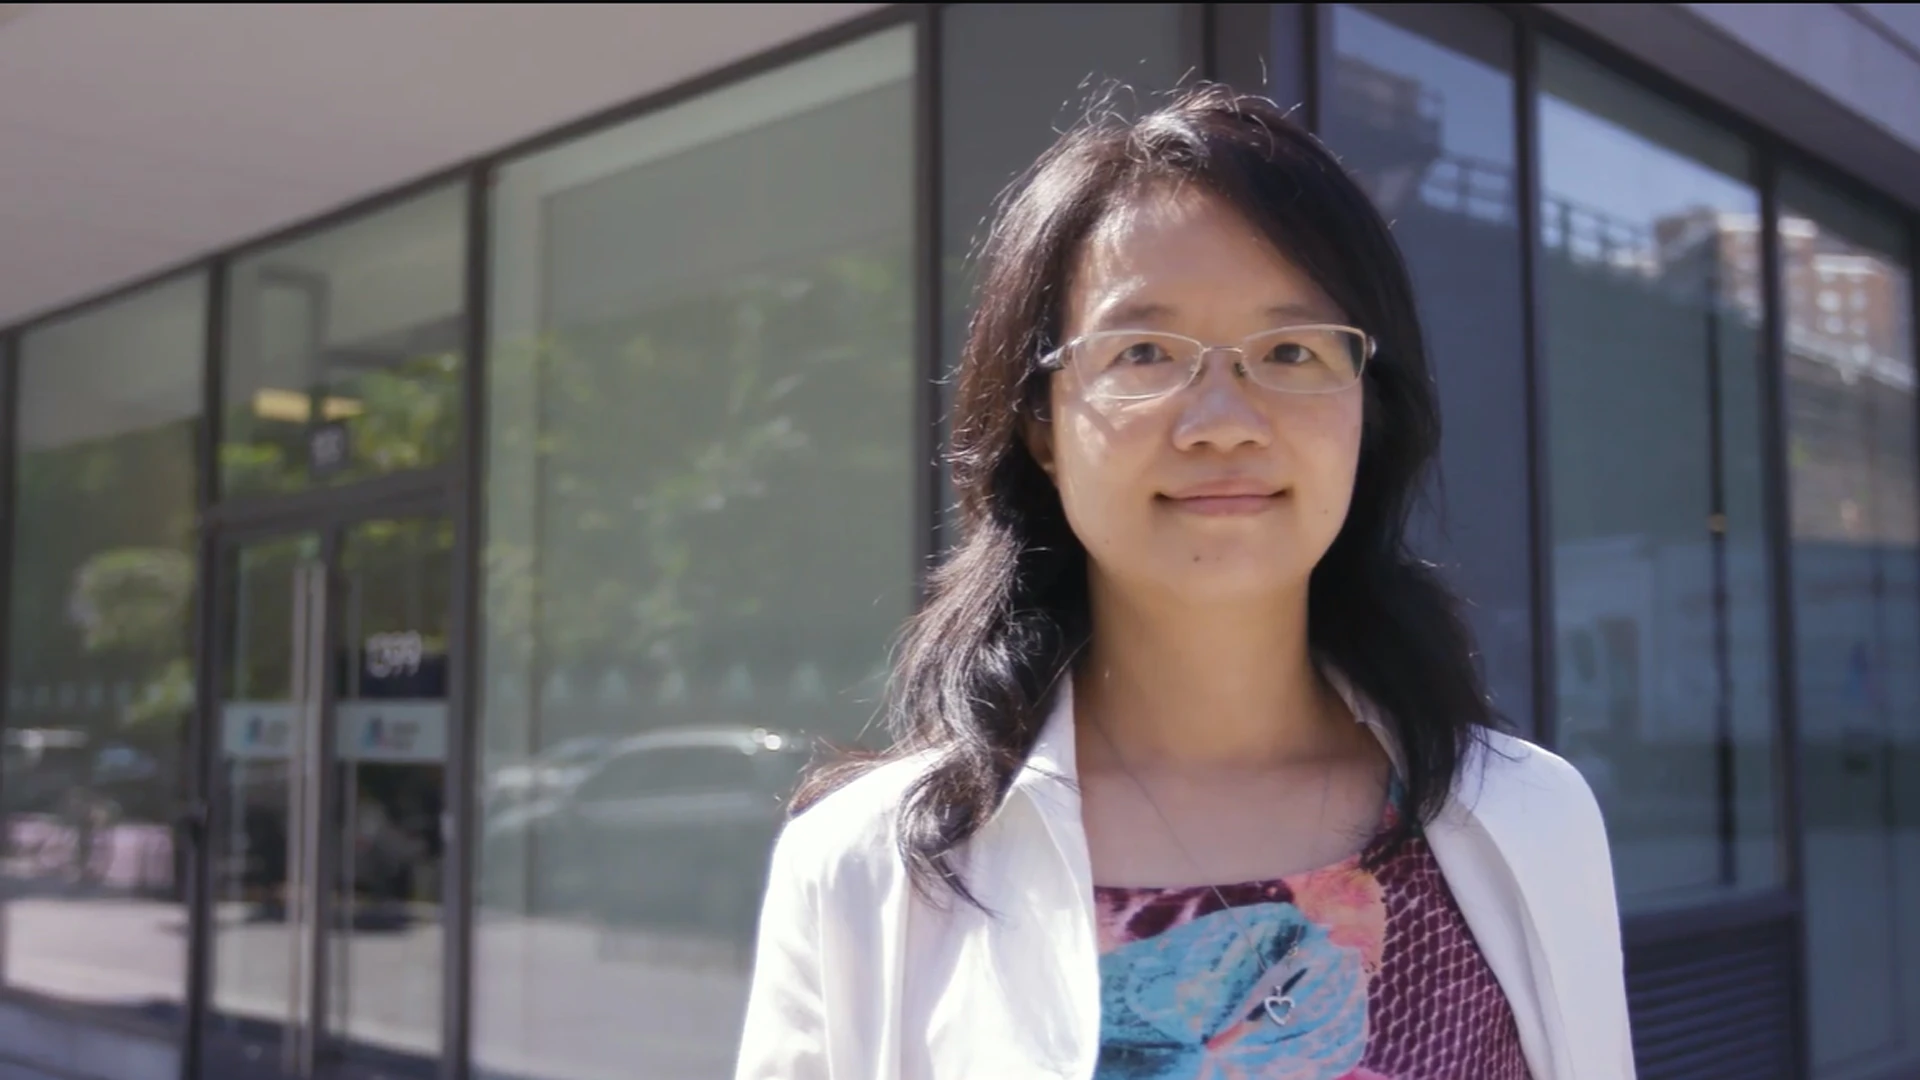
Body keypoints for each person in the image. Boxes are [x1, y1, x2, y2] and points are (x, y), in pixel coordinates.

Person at [734, 84, 1632, 1080]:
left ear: (1366, 413)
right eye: (1145, 353)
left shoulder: (1531, 821)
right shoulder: (864, 873)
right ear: (1041, 425)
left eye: (1289, 351)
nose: (1223, 422)